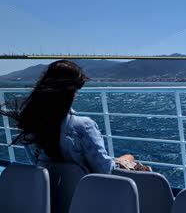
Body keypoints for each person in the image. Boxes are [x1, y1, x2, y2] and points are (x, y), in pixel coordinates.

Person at [1, 60, 136, 174]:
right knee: (130, 158)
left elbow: (37, 164)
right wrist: (125, 161)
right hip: (87, 197)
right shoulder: (84, 126)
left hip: (50, 197)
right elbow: (105, 171)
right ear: (72, 90)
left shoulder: (31, 123)